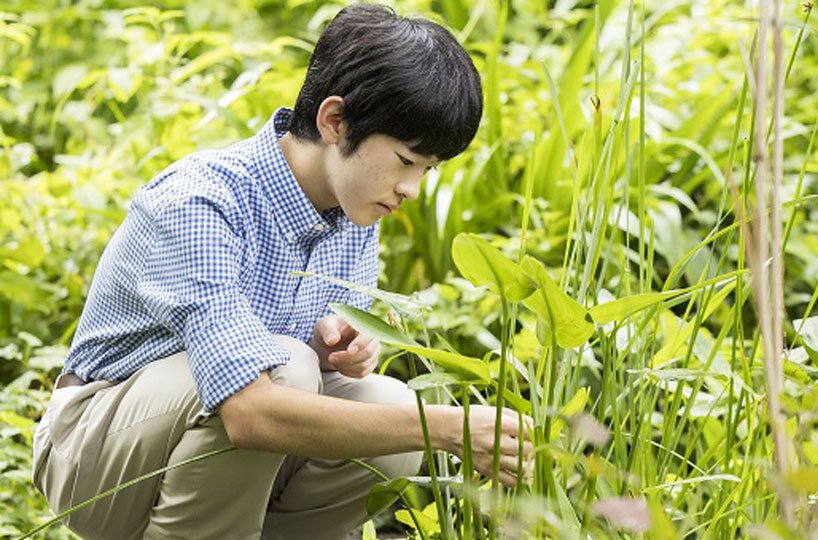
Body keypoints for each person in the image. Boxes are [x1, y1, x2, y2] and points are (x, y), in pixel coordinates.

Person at [31, 4, 531, 539]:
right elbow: (249, 412)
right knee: (285, 369)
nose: (413, 189)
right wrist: (447, 429)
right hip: (93, 458)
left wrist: (345, 351)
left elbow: (312, 373)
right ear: (334, 121)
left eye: (429, 170)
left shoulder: (356, 208)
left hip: (216, 452)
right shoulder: (202, 201)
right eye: (407, 162)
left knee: (386, 406)